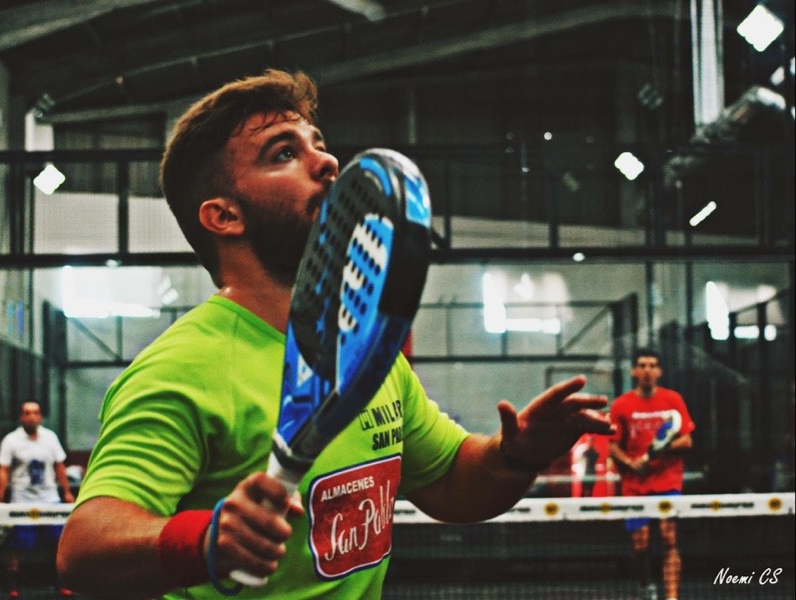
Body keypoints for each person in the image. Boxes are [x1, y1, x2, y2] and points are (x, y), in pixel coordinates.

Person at [56, 69, 615, 599]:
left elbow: (450, 481)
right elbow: (83, 548)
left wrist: (515, 454)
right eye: (284, 153)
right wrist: (204, 541)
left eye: (317, 144)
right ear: (224, 215)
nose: (326, 161)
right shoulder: (181, 370)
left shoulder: (365, 350)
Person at [608, 349, 695, 600]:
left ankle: (672, 597)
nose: (647, 370)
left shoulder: (673, 399)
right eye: (642, 365)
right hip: (635, 486)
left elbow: (687, 440)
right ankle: (646, 584)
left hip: (668, 481)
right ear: (634, 371)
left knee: (669, 539)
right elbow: (613, 446)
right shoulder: (621, 405)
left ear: (659, 371)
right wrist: (630, 463)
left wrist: (662, 448)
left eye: (652, 365)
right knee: (641, 545)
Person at [0, 402, 76, 598]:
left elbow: (59, 466)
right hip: (21, 499)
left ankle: (61, 583)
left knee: (59, 542)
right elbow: (3, 470)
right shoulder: (11, 440)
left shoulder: (50, 438)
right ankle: (12, 584)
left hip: (50, 498)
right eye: (27, 413)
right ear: (21, 417)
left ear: (40, 417)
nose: (31, 417)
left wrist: (67, 492)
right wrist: (0, 499)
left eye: (35, 413)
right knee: (14, 545)